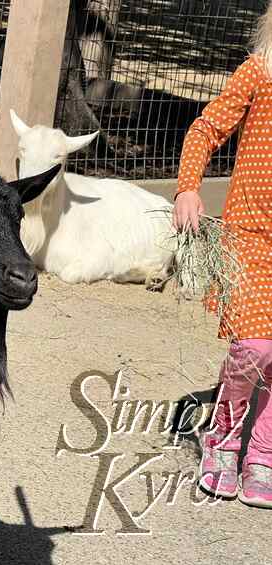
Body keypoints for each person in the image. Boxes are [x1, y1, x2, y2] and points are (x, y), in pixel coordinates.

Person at [173, 4, 272, 508]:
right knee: (256, 347)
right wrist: (188, 189)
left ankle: (263, 452)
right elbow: (205, 130)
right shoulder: (259, 71)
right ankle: (223, 438)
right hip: (251, 237)